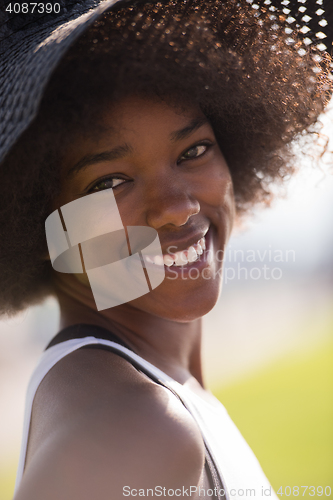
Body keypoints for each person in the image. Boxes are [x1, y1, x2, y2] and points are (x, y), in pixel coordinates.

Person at [0, 1, 331, 499]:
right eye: (109, 181)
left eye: (193, 150)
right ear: (34, 222)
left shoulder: (147, 393)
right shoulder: (140, 427)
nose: (176, 209)